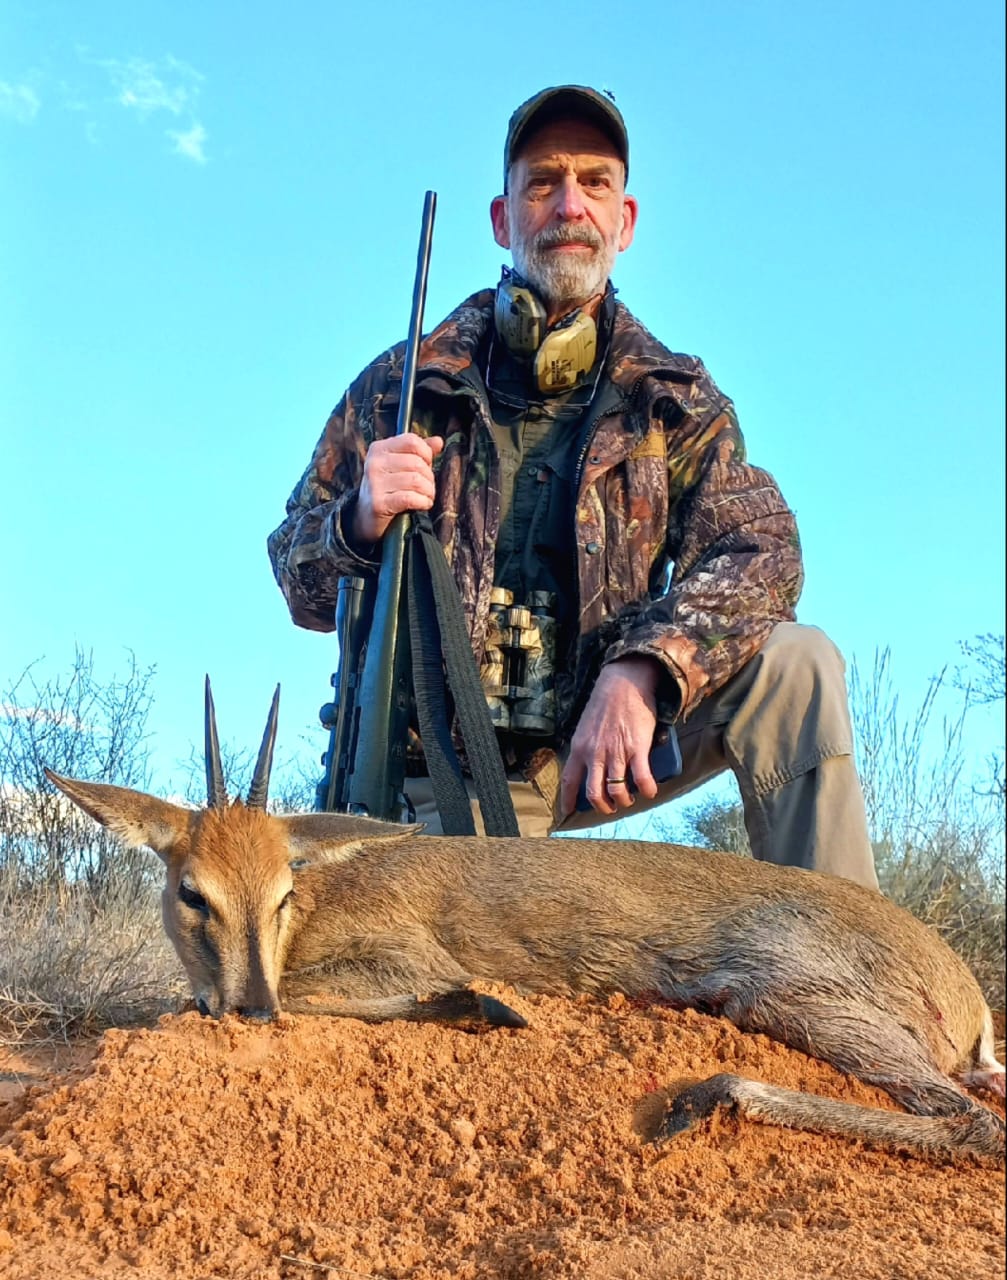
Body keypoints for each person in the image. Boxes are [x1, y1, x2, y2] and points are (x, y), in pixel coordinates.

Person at [267, 85, 878, 889]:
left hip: (606, 744)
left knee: (797, 665)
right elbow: (297, 579)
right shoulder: (398, 387)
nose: (567, 204)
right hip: (442, 771)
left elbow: (760, 552)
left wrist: (644, 667)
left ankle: (844, 964)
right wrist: (354, 520)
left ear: (623, 222)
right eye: (542, 182)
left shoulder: (674, 397)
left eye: (593, 183)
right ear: (502, 217)